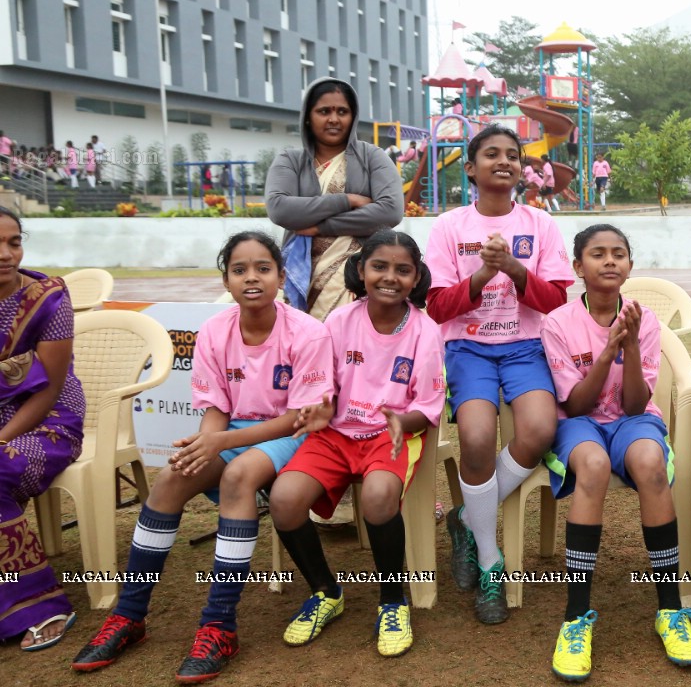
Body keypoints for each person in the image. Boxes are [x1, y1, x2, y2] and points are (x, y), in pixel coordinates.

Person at [72, 232, 333, 682]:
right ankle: (130, 616)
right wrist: (202, 446)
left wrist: (220, 445)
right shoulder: (215, 330)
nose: (252, 278)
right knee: (173, 477)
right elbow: (216, 409)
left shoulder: (307, 331)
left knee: (238, 477)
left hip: (291, 433)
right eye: (239, 270)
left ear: (281, 276)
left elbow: (299, 418)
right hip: (232, 433)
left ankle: (219, 625)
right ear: (227, 281)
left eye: (263, 268)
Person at [424, 124, 574, 624]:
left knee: (539, 430)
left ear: (521, 169)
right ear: (470, 168)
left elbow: (555, 300)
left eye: (513, 155)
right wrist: (483, 275)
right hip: (468, 349)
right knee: (476, 436)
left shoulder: (540, 224)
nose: (504, 161)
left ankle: (466, 519)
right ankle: (491, 561)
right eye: (491, 154)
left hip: (527, 346)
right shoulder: (449, 227)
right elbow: (437, 307)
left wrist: (512, 266)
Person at [270, 230, 443, 656]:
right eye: (379, 266)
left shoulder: (425, 330)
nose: (390, 277)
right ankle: (326, 591)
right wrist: (320, 406)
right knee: (284, 499)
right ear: (360, 270)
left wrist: (403, 421)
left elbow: (429, 403)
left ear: (416, 276)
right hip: (335, 436)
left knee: (380, 496)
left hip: (392, 435)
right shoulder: (339, 321)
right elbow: (321, 385)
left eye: (403, 270)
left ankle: (392, 600)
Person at [541, 224, 691, 681]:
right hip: (581, 423)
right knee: (591, 466)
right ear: (578, 267)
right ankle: (576, 617)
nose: (610, 261)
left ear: (629, 265)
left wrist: (629, 346)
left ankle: (670, 610)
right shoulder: (557, 323)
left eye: (619, 254)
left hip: (632, 420)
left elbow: (635, 403)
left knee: (651, 464)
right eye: (598, 254)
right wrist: (607, 350)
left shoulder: (643, 320)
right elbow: (575, 404)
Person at [0, 208, 83, 652]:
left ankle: (36, 603)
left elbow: (48, 390)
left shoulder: (48, 298)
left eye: (14, 241)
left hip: (47, 421)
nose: (7, 253)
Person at [266, 77, 403, 321]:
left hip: (359, 279)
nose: (334, 119)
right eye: (324, 111)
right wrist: (348, 200)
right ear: (308, 116)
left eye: (342, 111)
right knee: (310, 348)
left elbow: (390, 211)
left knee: (356, 350)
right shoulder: (290, 160)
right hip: (304, 276)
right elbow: (280, 209)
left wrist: (320, 227)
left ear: (353, 116)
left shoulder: (372, 157)